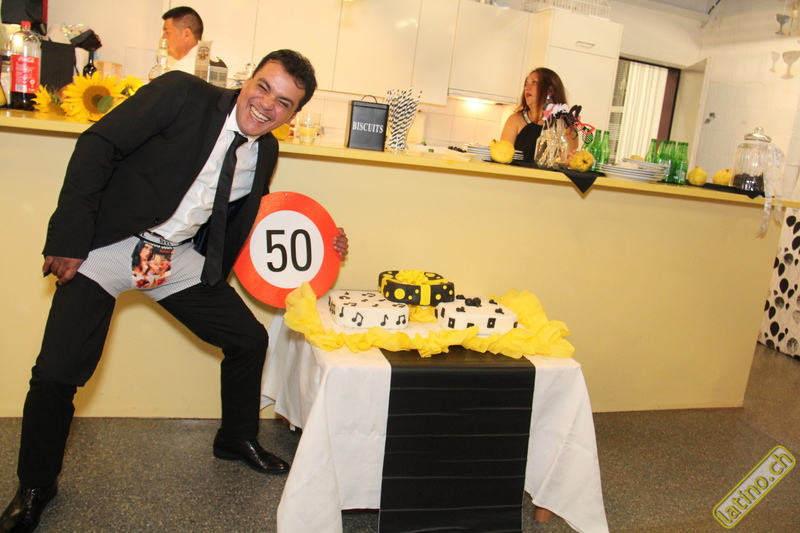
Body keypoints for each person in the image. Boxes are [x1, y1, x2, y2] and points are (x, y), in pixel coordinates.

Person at [0, 49, 348, 533]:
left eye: (284, 102)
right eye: (264, 87)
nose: (267, 104)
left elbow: (247, 213)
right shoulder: (182, 94)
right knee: (57, 375)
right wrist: (69, 238)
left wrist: (326, 239)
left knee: (249, 340)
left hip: (173, 259)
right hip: (108, 244)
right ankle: (37, 485)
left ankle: (235, 438)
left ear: (293, 115)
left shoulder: (265, 151)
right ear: (248, 80)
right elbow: (98, 145)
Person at [500, 67, 578, 163]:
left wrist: (570, 160)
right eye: (526, 84)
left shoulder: (566, 125)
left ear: (550, 90)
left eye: (534, 82)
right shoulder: (515, 120)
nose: (527, 87)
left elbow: (567, 162)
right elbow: (503, 157)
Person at [162, 6, 203, 74]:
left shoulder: (183, 68)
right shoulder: (212, 62)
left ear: (186, 34)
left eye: (167, 32)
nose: (163, 38)